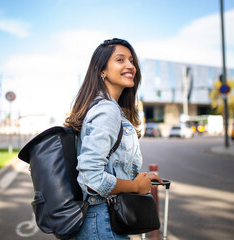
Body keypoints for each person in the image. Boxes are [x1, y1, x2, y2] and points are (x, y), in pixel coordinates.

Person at [65, 38, 162, 240]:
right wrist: (135, 187)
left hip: (101, 221)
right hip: (102, 223)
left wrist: (134, 177)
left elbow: (107, 165)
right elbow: (91, 178)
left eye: (132, 60)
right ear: (102, 71)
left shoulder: (106, 107)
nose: (130, 66)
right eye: (120, 60)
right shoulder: (107, 110)